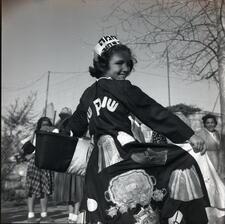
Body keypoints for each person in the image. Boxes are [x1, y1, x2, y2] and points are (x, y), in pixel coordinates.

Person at [62, 35, 209, 224]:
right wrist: (188, 135)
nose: (125, 68)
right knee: (181, 160)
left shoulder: (88, 94)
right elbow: (151, 111)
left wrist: (58, 135)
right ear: (102, 64)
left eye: (128, 63)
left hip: (97, 169)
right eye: (119, 63)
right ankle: (173, 213)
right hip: (126, 157)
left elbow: (74, 126)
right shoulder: (120, 88)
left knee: (108, 212)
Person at [53, 107, 85, 224]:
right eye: (62, 116)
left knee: (77, 190)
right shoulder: (58, 128)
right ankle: (71, 215)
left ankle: (75, 215)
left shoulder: (77, 128)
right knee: (69, 191)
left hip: (75, 161)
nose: (64, 119)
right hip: (67, 163)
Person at [23, 117, 54, 223]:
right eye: (43, 124)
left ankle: (44, 215)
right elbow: (27, 153)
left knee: (44, 191)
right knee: (32, 190)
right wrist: (32, 154)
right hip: (34, 164)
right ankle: (30, 215)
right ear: (39, 125)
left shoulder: (52, 136)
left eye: (47, 124)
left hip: (45, 164)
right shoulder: (35, 135)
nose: (45, 126)